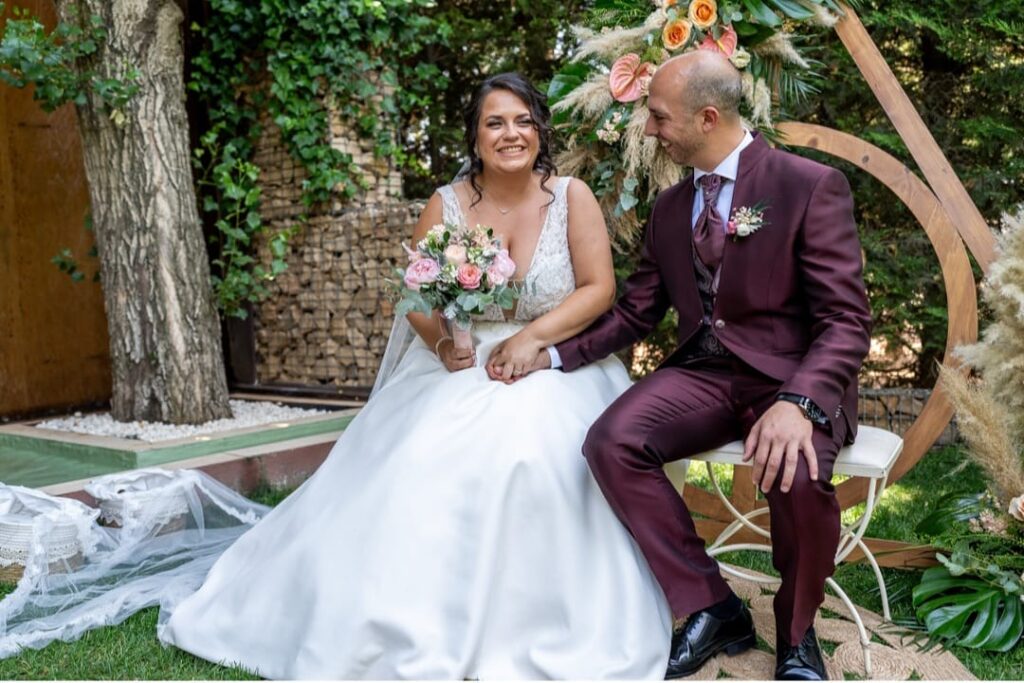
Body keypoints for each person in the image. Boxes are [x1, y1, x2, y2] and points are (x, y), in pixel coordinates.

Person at [158, 73, 672, 679]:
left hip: (557, 356)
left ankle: (537, 621)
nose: (511, 134)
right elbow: (418, 298)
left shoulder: (571, 196)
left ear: (540, 131)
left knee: (535, 451)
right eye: (495, 123)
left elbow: (598, 289)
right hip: (465, 361)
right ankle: (398, 613)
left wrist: (533, 339)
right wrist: (443, 341)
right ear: (475, 137)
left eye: (523, 121)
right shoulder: (447, 203)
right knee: (420, 457)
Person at [501, 51, 872, 681]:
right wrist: (553, 354)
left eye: (659, 117)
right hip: (705, 375)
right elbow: (635, 312)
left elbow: (846, 320)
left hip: (792, 377)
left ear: (707, 118)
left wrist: (800, 403)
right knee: (612, 442)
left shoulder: (808, 185)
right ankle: (712, 604)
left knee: (798, 471)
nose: (649, 130)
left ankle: (797, 632)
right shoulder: (671, 207)